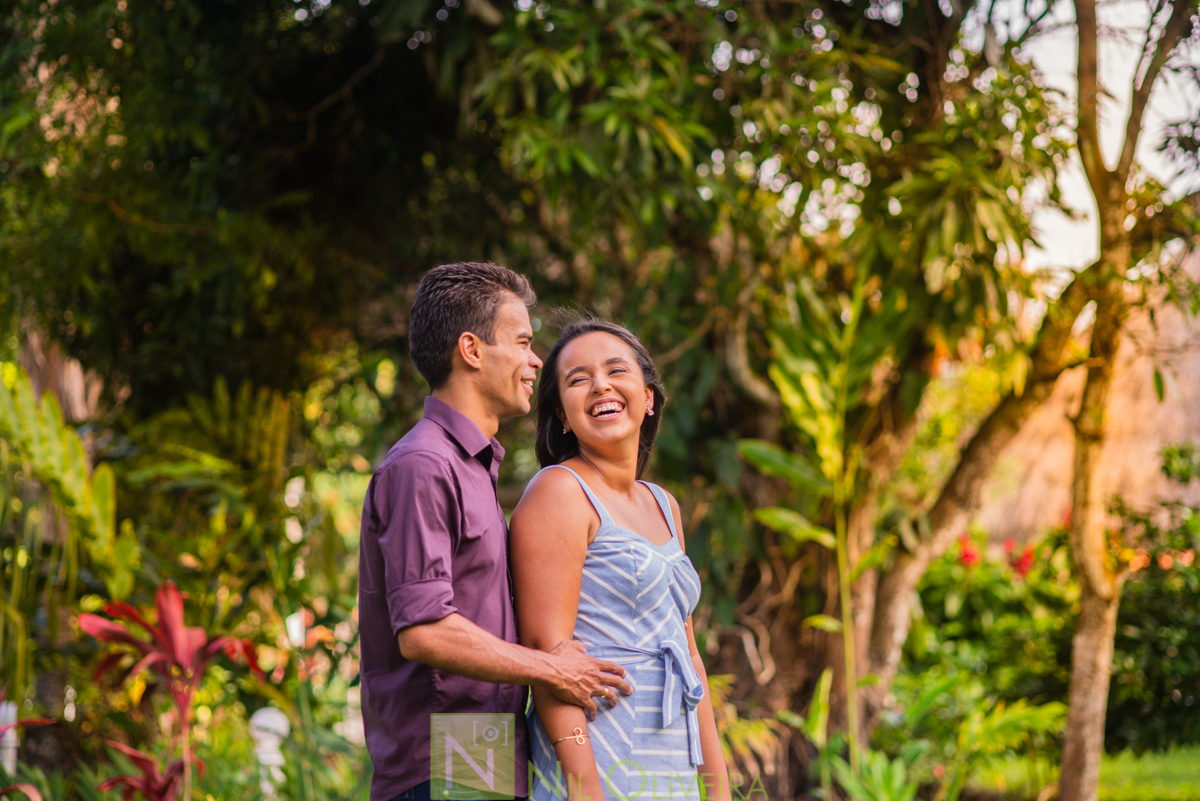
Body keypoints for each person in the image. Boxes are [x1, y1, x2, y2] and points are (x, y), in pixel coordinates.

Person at [358, 264, 633, 801]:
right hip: (443, 754)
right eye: (524, 342)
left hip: (480, 749)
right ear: (472, 350)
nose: (536, 362)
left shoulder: (473, 465)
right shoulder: (423, 464)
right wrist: (553, 669)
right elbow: (424, 630)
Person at [510, 318, 731, 801]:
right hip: (600, 759)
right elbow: (549, 657)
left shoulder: (663, 504)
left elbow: (689, 657)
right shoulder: (559, 492)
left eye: (615, 370)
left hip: (671, 761)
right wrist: (585, 790)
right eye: (578, 379)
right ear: (563, 415)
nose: (600, 385)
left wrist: (717, 788)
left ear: (648, 397)